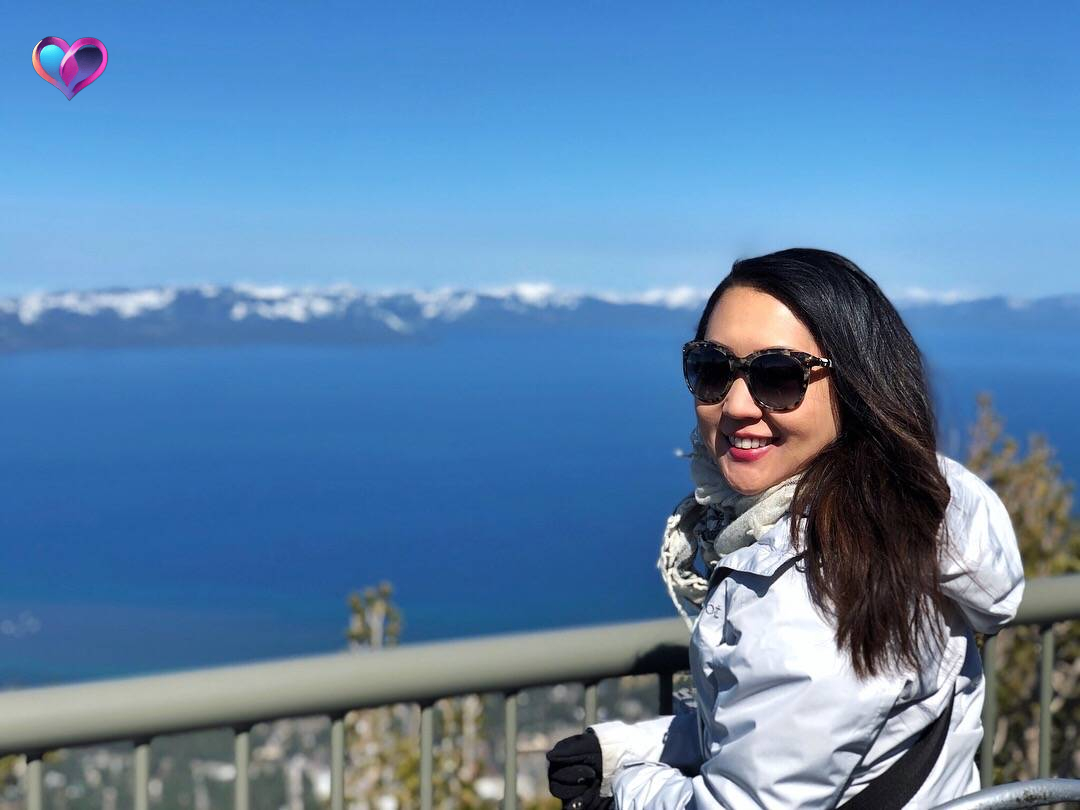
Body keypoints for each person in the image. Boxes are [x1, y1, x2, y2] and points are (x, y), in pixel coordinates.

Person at [546, 248, 1024, 809]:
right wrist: (626, 751)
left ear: (857, 385)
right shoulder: (906, 519)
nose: (736, 406)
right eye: (712, 369)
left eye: (778, 376)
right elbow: (790, 738)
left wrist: (625, 789)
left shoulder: (812, 593)